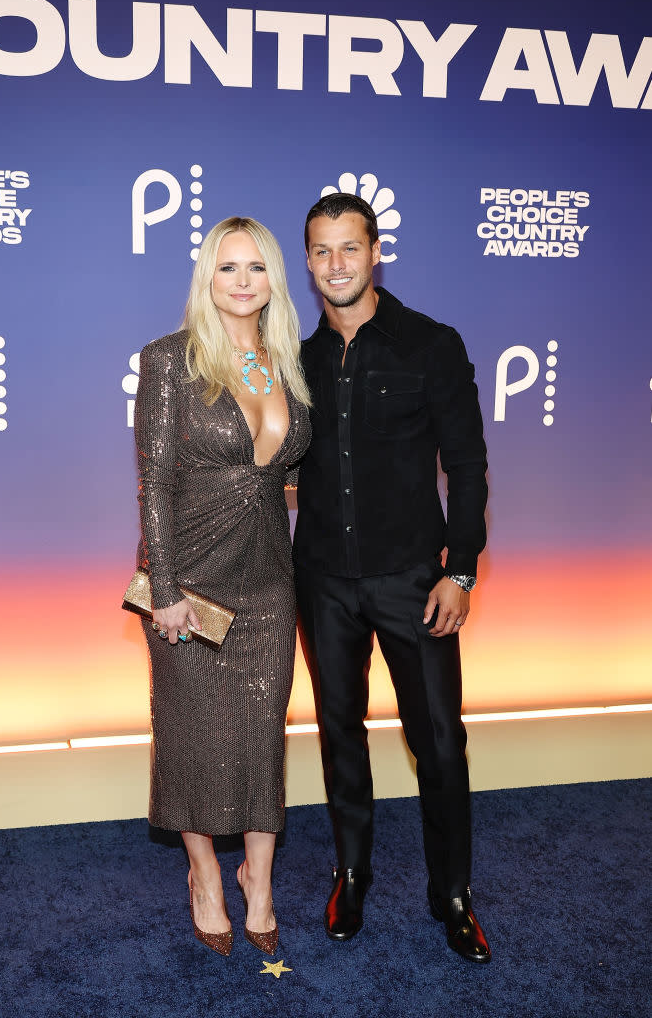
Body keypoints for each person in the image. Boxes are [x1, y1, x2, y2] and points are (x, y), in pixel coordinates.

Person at [293, 193, 491, 963]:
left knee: (441, 745)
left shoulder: (431, 344)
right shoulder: (296, 361)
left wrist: (462, 572)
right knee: (341, 736)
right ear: (307, 263)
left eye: (350, 248)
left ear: (376, 253)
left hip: (416, 581)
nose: (336, 263)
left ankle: (453, 896)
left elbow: (468, 468)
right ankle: (351, 872)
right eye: (321, 250)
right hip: (325, 581)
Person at [134, 217, 311, 957]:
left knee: (263, 737)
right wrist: (165, 587)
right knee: (195, 740)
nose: (243, 281)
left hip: (271, 583)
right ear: (206, 278)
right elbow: (155, 483)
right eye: (227, 267)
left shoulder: (289, 362)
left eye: (258, 268)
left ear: (275, 280)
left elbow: (291, 476)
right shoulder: (172, 360)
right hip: (192, 585)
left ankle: (258, 884)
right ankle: (205, 873)